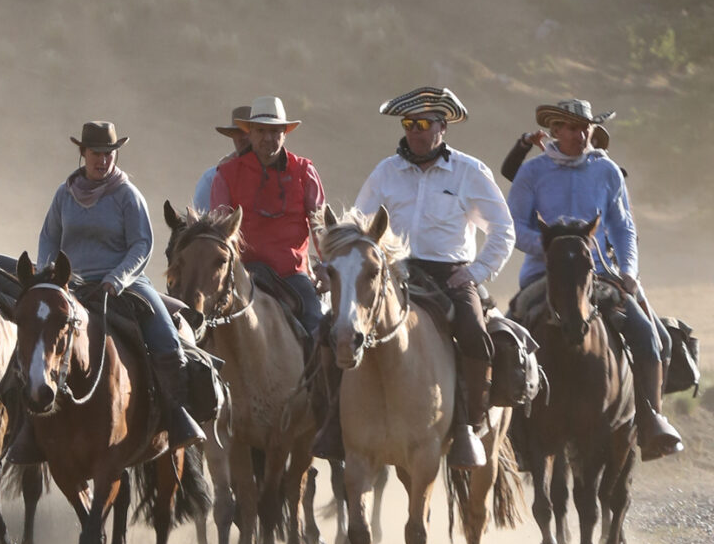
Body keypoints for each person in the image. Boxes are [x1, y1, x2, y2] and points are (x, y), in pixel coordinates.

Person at [321, 85, 514, 470]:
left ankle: (468, 428)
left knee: (475, 333)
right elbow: (358, 226)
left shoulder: (469, 172)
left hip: (449, 275)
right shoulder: (385, 172)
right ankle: (332, 422)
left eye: (423, 123)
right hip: (392, 273)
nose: (414, 130)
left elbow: (503, 230)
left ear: (442, 127)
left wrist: (475, 273)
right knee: (328, 329)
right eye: (409, 123)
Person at [507, 96, 684, 461]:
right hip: (545, 273)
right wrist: (554, 249)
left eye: (585, 127)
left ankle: (651, 421)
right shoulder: (532, 172)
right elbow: (515, 228)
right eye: (572, 128)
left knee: (653, 336)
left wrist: (629, 273)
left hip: (601, 273)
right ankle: (512, 430)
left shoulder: (607, 172)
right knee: (509, 335)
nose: (581, 134)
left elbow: (623, 228)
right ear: (555, 131)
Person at [36, 119, 205, 446]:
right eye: (96, 153)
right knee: (34, 338)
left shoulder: (127, 195)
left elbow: (142, 244)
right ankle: (27, 429)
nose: (102, 160)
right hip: (72, 285)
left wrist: (117, 278)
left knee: (166, 340)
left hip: (124, 282)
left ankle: (178, 416)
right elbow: (48, 238)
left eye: (109, 154)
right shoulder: (64, 194)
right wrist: (49, 277)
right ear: (83, 153)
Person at [207, 93, 325, 346]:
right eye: (261, 131)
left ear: (285, 133)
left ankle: (322, 384)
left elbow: (320, 226)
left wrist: (327, 267)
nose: (268, 138)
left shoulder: (304, 171)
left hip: (292, 275)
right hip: (243, 274)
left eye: (275, 131)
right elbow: (220, 231)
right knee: (204, 332)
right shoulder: (226, 175)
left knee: (319, 333)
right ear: (250, 133)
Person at [194, 104, 253, 211]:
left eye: (247, 131)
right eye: (237, 132)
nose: (242, 137)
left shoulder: (277, 177)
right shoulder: (211, 178)